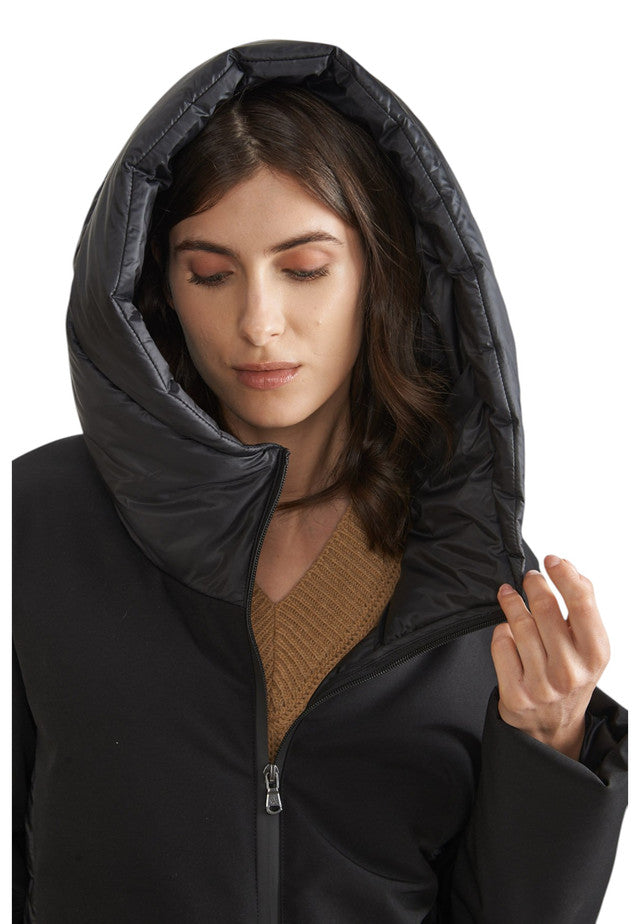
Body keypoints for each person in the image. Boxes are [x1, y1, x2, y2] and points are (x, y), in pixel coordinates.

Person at [12, 39, 627, 924]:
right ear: (159, 287)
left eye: (304, 269)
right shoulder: (38, 522)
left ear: (380, 273)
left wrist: (552, 742)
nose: (259, 322)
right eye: (210, 273)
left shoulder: (467, 572)